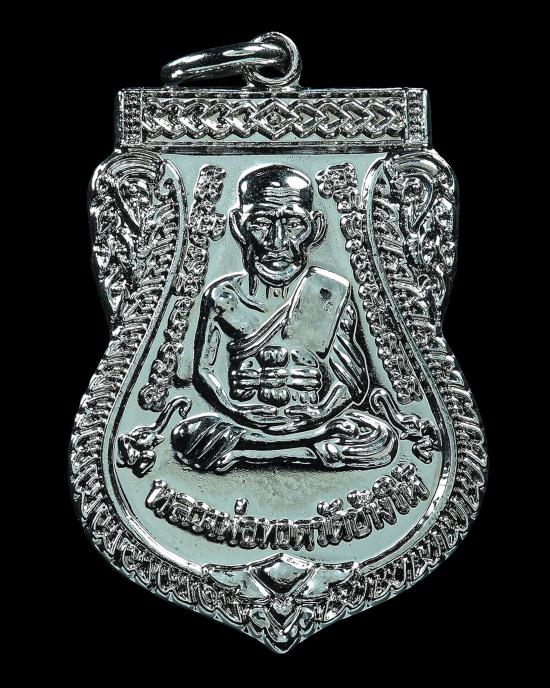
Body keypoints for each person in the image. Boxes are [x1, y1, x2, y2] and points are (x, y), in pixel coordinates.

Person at [172, 165, 397, 472]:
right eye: (261, 222)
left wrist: (320, 413)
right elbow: (203, 371)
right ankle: (304, 450)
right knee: (186, 435)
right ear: (238, 226)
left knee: (379, 437)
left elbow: (352, 383)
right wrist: (236, 410)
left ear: (316, 227)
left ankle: (250, 453)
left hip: (314, 422)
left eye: (293, 224)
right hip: (242, 420)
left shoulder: (326, 292)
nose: (276, 241)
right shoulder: (224, 297)